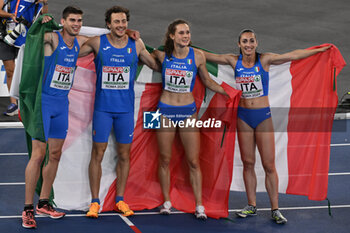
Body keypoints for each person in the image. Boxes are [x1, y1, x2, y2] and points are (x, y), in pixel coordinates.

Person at [202, 29, 330, 224]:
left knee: (269, 165)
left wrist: (319, 50)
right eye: (244, 41)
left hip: (263, 117)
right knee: (248, 163)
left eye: (251, 41)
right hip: (243, 117)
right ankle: (251, 205)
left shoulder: (265, 60)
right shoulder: (232, 60)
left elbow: (293, 55)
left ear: (256, 43)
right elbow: (206, 56)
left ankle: (275, 208)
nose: (248, 45)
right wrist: (181, 47)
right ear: (239, 44)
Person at [79, 6, 159, 218]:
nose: (121, 25)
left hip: (125, 111)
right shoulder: (98, 43)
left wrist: (172, 52)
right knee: (98, 153)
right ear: (108, 24)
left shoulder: (137, 44)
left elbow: (156, 65)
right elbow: (72, 49)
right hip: (103, 110)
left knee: (124, 155)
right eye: (117, 22)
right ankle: (95, 202)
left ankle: (120, 199)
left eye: (124, 21)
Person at [152, 19, 228, 220]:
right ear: (172, 36)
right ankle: (166, 201)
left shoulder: (197, 56)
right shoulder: (162, 55)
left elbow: (208, 81)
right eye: (182, 33)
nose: (186, 36)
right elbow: (141, 53)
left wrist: (229, 93)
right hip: (165, 111)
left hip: (188, 112)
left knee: (193, 161)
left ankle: (199, 205)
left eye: (188, 32)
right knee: (164, 159)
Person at [21, 6, 88, 229]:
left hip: (62, 104)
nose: (76, 24)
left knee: (56, 154)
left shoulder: (79, 43)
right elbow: (34, 38)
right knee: (38, 155)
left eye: (79, 20)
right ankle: (27, 209)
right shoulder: (52, 39)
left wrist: (127, 34)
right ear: (63, 21)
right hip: (44, 102)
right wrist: (42, 21)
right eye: (72, 20)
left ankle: (44, 202)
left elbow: (105, 42)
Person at [0, 0, 48, 116]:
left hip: (26, 36)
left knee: (27, 72)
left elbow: (44, 15)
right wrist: (11, 15)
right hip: (7, 35)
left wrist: (45, 3)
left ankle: (27, 103)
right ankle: (14, 104)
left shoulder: (36, 1)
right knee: (10, 71)